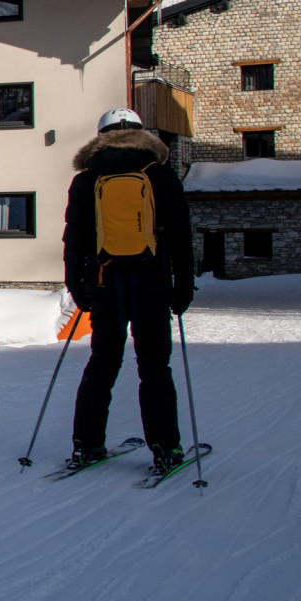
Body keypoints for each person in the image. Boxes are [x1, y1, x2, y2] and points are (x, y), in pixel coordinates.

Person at [63, 107, 194, 475]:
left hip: (105, 285)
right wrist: (182, 287)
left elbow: (74, 240)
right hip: (152, 285)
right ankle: (166, 448)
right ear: (142, 133)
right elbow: (181, 237)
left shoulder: (87, 180)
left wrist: (78, 288)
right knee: (154, 367)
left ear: (100, 135)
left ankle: (86, 445)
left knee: (102, 364)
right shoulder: (161, 176)